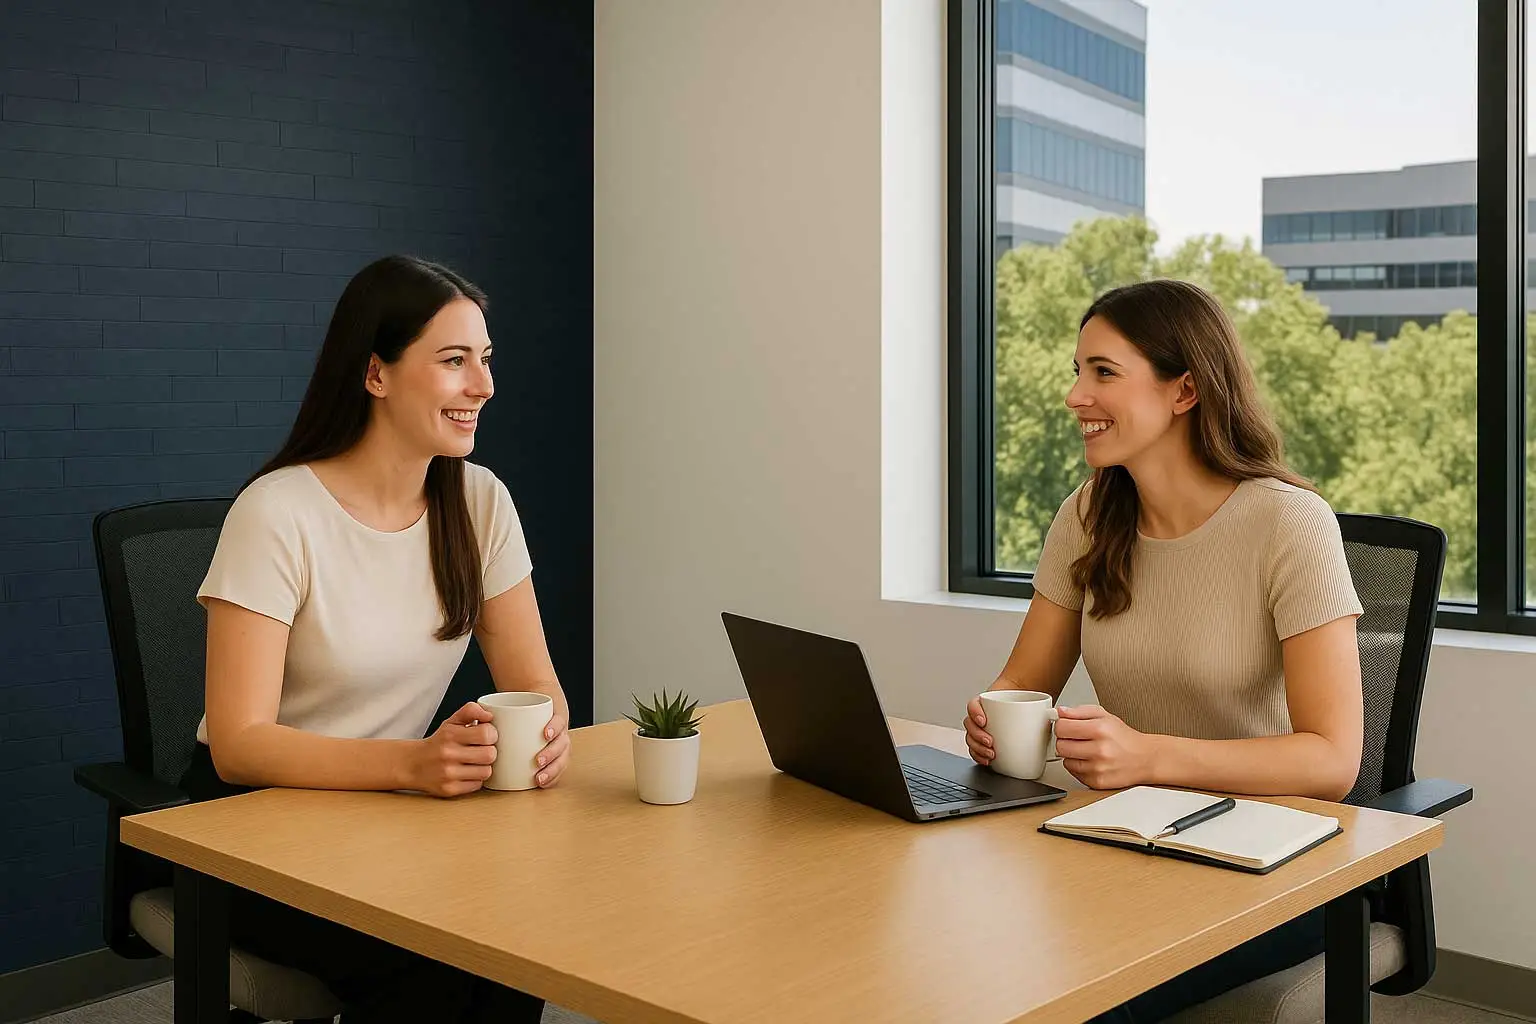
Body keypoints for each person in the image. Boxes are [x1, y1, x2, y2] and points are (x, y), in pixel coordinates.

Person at [963, 279, 1364, 1023]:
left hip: (1265, 869)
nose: (1075, 395)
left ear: (1185, 390)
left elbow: (1331, 760)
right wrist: (993, 717)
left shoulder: (1289, 524)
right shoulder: (1087, 515)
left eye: (1103, 372)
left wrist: (1147, 757)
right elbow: (1024, 681)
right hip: (1120, 844)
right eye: (1077, 369)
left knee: (1053, 1000)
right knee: (967, 962)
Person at [181, 254, 568, 1023]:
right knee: (436, 969)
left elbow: (538, 683)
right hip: (251, 822)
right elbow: (238, 742)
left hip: (386, 816)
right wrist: (412, 765)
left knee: (517, 941)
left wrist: (546, 734)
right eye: (454, 361)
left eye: (485, 360)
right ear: (376, 374)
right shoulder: (278, 512)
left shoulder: (481, 502)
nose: (483, 386)